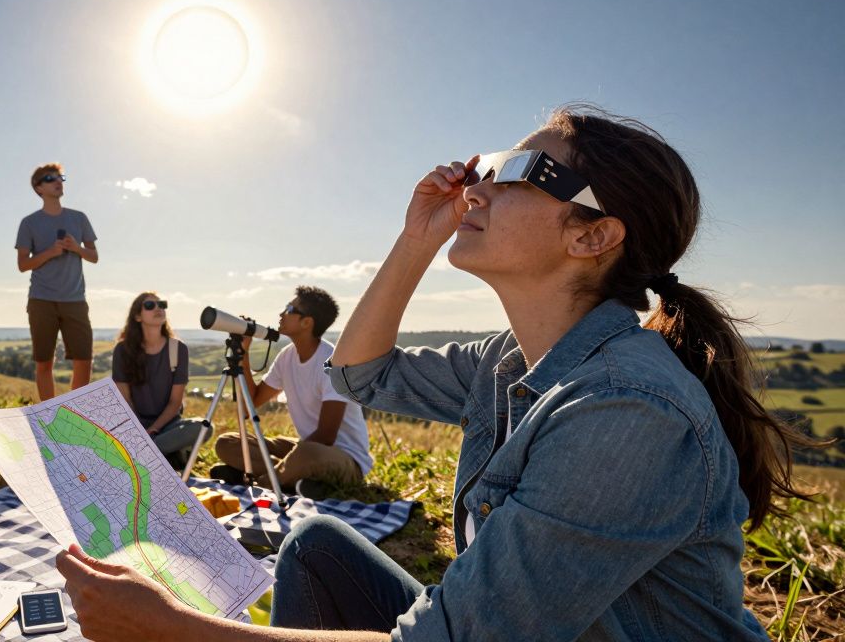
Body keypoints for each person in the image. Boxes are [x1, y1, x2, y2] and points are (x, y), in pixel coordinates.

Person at [55, 106, 804, 640]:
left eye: (518, 172)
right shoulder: (509, 360)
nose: (476, 188)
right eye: (487, 167)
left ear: (595, 235)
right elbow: (364, 375)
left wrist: (174, 633)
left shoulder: (626, 411)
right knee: (314, 543)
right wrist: (416, 242)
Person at [209, 286, 371, 496]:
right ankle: (298, 482)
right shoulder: (287, 356)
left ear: (307, 322)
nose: (281, 314)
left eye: (289, 308)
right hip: (304, 450)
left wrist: (291, 459)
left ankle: (263, 482)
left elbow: (326, 436)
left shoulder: (332, 363)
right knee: (227, 442)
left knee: (306, 453)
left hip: (343, 459)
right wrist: (243, 354)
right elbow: (251, 404)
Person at [15, 163, 98, 401]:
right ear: (38, 188)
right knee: (44, 362)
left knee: (84, 359)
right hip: (42, 300)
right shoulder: (29, 223)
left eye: (60, 177)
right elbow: (22, 264)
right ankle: (49, 415)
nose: (58, 181)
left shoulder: (79, 218)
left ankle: (75, 414)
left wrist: (76, 248)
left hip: (75, 300)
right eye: (50, 178)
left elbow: (94, 257)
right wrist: (50, 252)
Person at [111, 292, 209, 470]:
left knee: (203, 427)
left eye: (162, 305)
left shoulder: (178, 349)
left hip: (167, 425)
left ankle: (142, 455)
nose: (158, 309)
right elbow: (124, 399)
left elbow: (175, 403)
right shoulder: (122, 350)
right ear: (137, 316)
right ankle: (166, 455)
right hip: (134, 423)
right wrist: (139, 430)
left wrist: (153, 430)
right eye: (150, 306)